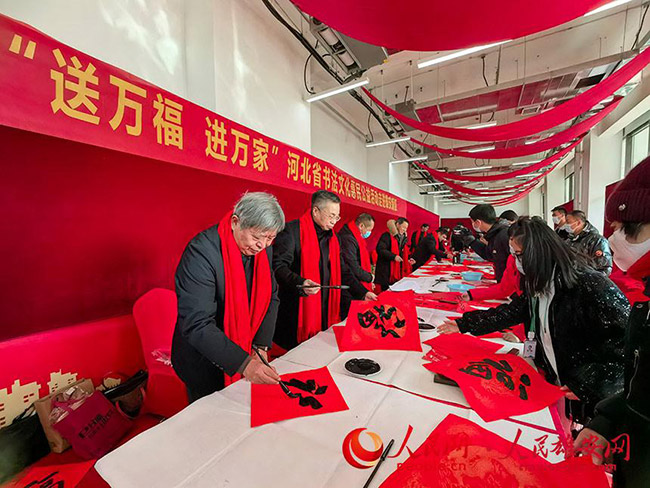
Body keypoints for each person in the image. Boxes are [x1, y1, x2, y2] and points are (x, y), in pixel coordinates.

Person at [438, 217, 629, 422]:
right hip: (555, 381)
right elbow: (513, 311)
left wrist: (593, 382)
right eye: (514, 255)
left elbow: (629, 343)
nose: (517, 262)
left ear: (539, 251)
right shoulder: (539, 280)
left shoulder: (589, 284)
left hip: (588, 393)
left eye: (519, 255)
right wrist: (464, 323)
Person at [574, 158, 650, 487]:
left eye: (627, 229)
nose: (615, 239)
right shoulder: (646, 303)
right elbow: (641, 386)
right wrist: (605, 420)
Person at [172, 192, 284, 402]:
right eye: (256, 237)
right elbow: (197, 323)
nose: (262, 245)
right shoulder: (201, 253)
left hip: (246, 348)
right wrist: (244, 364)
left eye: (270, 238)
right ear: (235, 222)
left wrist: (260, 346)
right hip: (205, 361)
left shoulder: (262, 250)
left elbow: (271, 295)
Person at [272, 191, 367, 351]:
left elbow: (343, 270)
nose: (334, 221)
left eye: (337, 217)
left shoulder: (333, 239)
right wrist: (300, 282)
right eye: (331, 216)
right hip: (298, 312)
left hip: (326, 310)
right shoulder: (292, 231)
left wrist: (363, 292)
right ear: (315, 211)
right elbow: (278, 266)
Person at [338, 213, 379, 316]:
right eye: (369, 230)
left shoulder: (354, 236)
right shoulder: (348, 239)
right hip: (348, 286)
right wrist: (369, 277)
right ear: (361, 226)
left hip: (354, 283)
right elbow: (353, 267)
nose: (369, 233)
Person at [460, 204, 511, 282]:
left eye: (472, 222)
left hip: (509, 283)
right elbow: (488, 254)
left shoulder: (503, 235)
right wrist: (472, 241)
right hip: (503, 281)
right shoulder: (495, 234)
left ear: (478, 222)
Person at [566, 210, 613, 276]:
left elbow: (605, 268)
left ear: (578, 223)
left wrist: (589, 279)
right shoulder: (569, 240)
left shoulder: (597, 240)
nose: (566, 224)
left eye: (568, 222)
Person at [375, 217, 415, 291]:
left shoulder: (403, 237)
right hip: (386, 269)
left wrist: (408, 259)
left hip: (397, 269)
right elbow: (380, 249)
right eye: (403, 227)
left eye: (406, 228)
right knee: (386, 292)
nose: (404, 230)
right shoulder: (387, 235)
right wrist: (393, 257)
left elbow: (402, 252)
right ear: (397, 224)